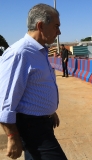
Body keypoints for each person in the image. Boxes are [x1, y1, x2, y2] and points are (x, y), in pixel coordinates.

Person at [0, 3, 67, 160]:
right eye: (56, 26)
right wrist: (12, 136)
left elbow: (35, 87)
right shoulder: (20, 53)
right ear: (41, 25)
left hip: (42, 124)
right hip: (32, 127)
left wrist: (50, 112)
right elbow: (5, 101)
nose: (59, 32)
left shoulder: (39, 51)